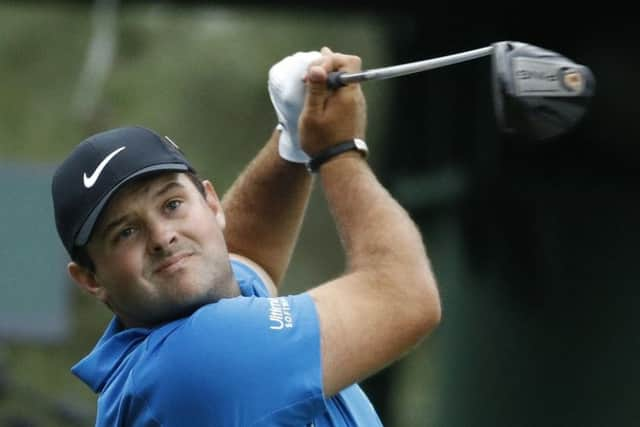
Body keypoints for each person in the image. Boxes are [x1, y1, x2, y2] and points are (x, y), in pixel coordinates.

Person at [51, 46, 441, 426]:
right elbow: (404, 297)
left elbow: (245, 258)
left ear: (211, 203)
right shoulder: (201, 357)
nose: (162, 237)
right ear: (90, 278)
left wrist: (292, 139)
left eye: (171, 205)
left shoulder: (169, 336)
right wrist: (337, 150)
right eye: (126, 232)